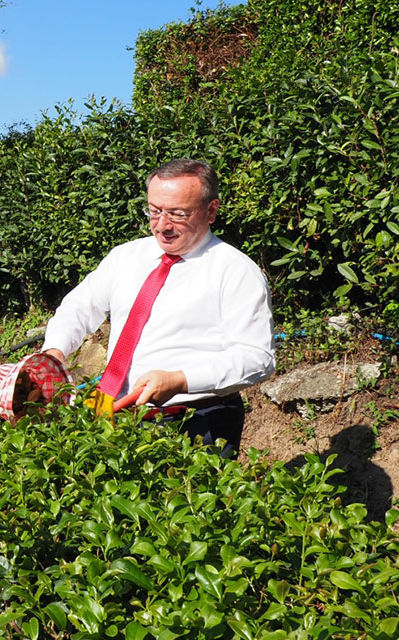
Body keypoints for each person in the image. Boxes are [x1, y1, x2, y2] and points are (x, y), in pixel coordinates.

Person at [41, 158, 274, 456]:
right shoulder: (125, 257)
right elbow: (80, 304)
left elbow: (257, 358)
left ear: (211, 211)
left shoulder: (236, 272)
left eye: (178, 214)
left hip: (196, 420)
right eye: (154, 211)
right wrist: (55, 350)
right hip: (110, 407)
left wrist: (181, 380)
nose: (162, 225)